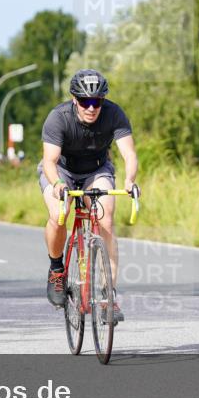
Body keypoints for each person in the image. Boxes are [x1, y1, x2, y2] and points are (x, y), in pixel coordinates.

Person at [39, 69, 138, 322]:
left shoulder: (114, 114)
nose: (92, 107)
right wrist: (58, 184)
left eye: (97, 102)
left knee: (106, 221)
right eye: (85, 101)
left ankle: (108, 297)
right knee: (58, 213)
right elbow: (49, 161)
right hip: (61, 171)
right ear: (75, 99)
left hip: (96, 169)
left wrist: (129, 181)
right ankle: (57, 269)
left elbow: (129, 154)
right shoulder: (58, 118)